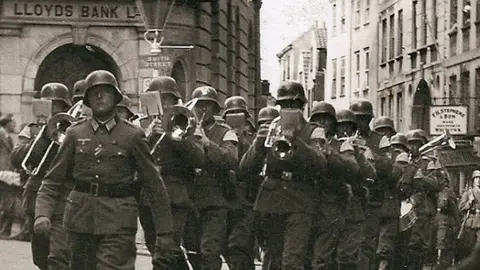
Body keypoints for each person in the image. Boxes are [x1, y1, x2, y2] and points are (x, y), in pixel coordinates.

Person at [34, 70, 175, 270]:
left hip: (118, 221)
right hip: (79, 220)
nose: (100, 96)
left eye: (106, 91)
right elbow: (52, 180)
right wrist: (42, 215)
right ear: (88, 100)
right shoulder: (74, 133)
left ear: (116, 97)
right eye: (94, 93)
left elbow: (154, 185)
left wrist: (165, 233)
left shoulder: (132, 136)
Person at [240, 81, 327, 269]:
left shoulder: (313, 130)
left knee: (292, 259)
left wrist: (296, 141)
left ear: (302, 107)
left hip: (300, 199)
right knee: (271, 257)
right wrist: (258, 144)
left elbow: (320, 164)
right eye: (285, 105)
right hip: (271, 199)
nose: (289, 109)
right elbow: (246, 168)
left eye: (294, 105)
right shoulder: (271, 128)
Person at [142, 76, 204, 269]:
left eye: (166, 98)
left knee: (166, 250)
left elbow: (199, 158)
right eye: (158, 97)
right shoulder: (142, 125)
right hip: (147, 197)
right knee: (156, 248)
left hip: (174, 196)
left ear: (173, 100)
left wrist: (174, 135)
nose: (162, 102)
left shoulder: (185, 122)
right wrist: (149, 136)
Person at [10, 82, 71, 270]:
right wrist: (43, 137)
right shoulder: (30, 130)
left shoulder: (71, 129)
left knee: (58, 256)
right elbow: (17, 158)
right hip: (36, 196)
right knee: (40, 256)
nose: (52, 109)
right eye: (48, 104)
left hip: (62, 198)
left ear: (64, 107)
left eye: (57, 105)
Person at [309, 103, 370, 269]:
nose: (321, 123)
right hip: (307, 205)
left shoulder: (342, 145)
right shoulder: (306, 142)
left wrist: (329, 151)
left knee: (326, 257)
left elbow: (352, 168)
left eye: (326, 119)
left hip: (332, 206)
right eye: (317, 119)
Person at [350, 99, 391, 270]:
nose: (361, 123)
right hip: (350, 197)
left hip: (372, 199)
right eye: (358, 119)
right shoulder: (345, 136)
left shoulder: (380, 140)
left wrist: (369, 152)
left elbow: (389, 166)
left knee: (367, 244)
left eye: (365, 119)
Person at [223, 96, 256, 270]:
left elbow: (249, 165)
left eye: (239, 114)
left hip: (246, 202)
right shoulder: (222, 137)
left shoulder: (254, 139)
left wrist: (240, 139)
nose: (235, 117)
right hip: (226, 199)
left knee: (240, 245)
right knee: (228, 248)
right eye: (231, 114)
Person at [0, 115, 15, 237]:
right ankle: (4, 230)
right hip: (3, 171)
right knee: (7, 201)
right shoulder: (1, 135)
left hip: (7, 172)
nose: (14, 125)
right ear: (7, 124)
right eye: (12, 123)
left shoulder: (8, 136)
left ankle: (5, 230)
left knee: (7, 201)